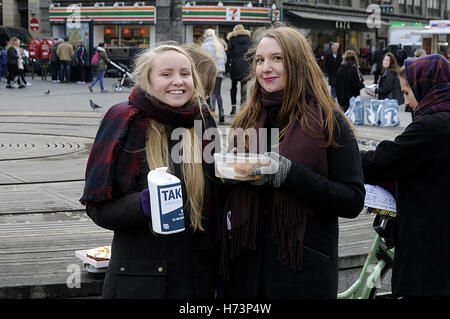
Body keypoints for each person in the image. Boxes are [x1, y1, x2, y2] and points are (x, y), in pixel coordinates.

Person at [219, 26, 365, 299]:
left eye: (277, 58)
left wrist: (290, 174)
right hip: (245, 273)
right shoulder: (246, 120)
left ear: (297, 62)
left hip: (301, 272)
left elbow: (353, 199)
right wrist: (228, 175)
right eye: (260, 60)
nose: (266, 68)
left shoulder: (328, 120)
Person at [80, 44, 224, 299]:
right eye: (166, 74)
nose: (177, 81)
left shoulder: (203, 120)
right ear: (147, 79)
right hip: (140, 282)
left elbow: (214, 198)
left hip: (196, 279)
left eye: (185, 73)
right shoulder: (123, 120)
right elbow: (97, 207)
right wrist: (142, 204)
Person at [360, 54, 450, 298]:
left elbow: (384, 161)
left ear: (427, 87)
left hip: (429, 249)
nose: (407, 103)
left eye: (408, 93)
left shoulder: (430, 128)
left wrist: (344, 157)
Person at [201, 28, 227, 123]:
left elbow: (202, 60)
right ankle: (221, 114)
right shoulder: (219, 45)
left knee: (208, 93)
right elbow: (224, 59)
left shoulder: (204, 45)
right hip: (219, 72)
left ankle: (209, 114)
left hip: (209, 73)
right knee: (218, 93)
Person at [226, 24, 252, 115]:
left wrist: (227, 68)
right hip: (245, 67)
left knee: (233, 87)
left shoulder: (232, 39)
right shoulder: (249, 40)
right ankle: (243, 109)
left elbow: (228, 54)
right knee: (243, 89)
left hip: (235, 67)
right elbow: (251, 54)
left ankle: (233, 109)